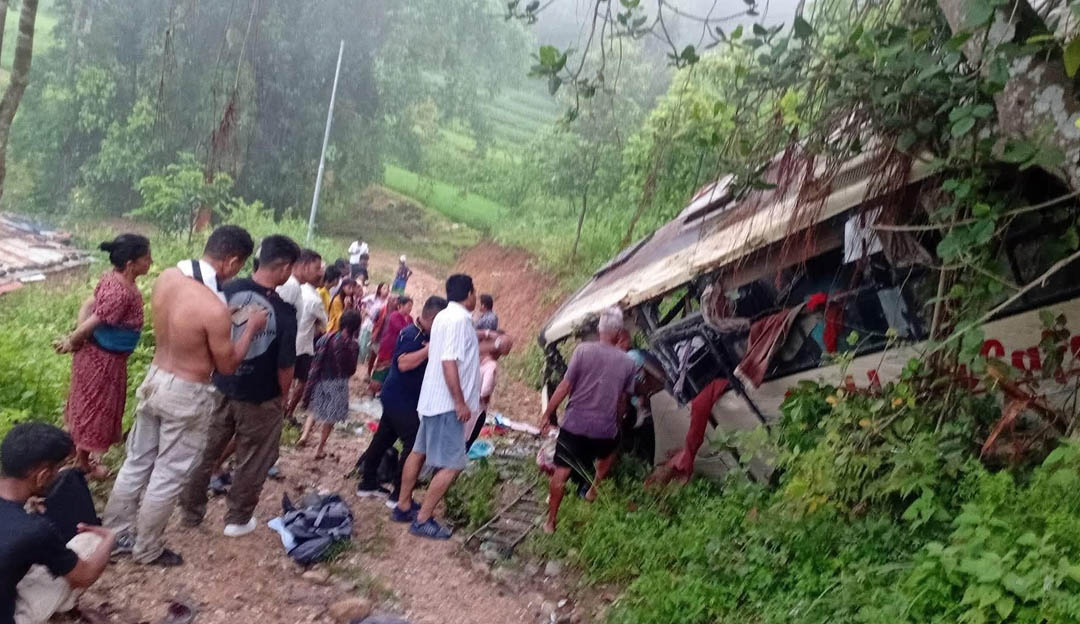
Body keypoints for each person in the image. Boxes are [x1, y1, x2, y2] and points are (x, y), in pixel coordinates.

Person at [102, 225, 262, 567]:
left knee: (136, 462)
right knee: (168, 473)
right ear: (232, 261)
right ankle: (147, 548)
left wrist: (228, 318)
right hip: (187, 392)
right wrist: (249, 329)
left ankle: (114, 536)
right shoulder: (213, 308)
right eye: (239, 265)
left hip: (156, 378)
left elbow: (185, 322)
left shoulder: (167, 278)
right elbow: (228, 365)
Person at [179, 235, 300, 539]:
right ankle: (237, 519)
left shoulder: (225, 291)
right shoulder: (284, 312)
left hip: (220, 385)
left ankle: (190, 511)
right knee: (253, 459)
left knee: (206, 451)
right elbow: (286, 365)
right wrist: (283, 400)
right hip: (261, 396)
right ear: (284, 268)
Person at [55, 234, 152, 480]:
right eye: (146, 258)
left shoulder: (116, 281)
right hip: (101, 361)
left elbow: (90, 305)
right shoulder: (120, 292)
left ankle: (78, 454)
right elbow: (94, 318)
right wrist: (74, 340)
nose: (150, 261)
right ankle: (82, 463)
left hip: (104, 357)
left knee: (88, 406)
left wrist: (80, 341)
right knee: (93, 410)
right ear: (131, 264)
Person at [1, 423, 117, 624]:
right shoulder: (35, 531)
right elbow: (85, 575)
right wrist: (109, 537)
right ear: (43, 476)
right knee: (90, 542)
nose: (59, 475)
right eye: (57, 470)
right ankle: (61, 607)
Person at [394, 274, 481, 540]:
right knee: (454, 463)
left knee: (418, 451)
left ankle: (403, 504)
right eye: (474, 292)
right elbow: (448, 361)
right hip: (446, 404)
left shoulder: (443, 316)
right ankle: (423, 519)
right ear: (469, 293)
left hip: (433, 399)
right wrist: (459, 402)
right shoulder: (459, 320)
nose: (475, 297)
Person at [539, 306, 637, 534]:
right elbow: (623, 401)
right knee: (612, 448)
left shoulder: (582, 351)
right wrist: (618, 421)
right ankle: (593, 488)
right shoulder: (628, 363)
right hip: (603, 430)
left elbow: (565, 386)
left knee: (560, 473)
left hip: (574, 426)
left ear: (599, 329)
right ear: (619, 333)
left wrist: (547, 413)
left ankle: (551, 522)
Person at [356, 296, 448, 504]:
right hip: (400, 398)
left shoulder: (421, 333)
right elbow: (404, 363)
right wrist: (427, 350)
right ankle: (399, 495)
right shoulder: (411, 335)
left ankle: (368, 482)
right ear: (433, 318)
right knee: (414, 443)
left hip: (398, 396)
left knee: (383, 439)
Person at [298, 310, 362, 458]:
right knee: (330, 418)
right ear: (356, 327)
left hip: (320, 378)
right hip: (338, 383)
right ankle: (319, 448)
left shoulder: (327, 337)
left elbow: (317, 357)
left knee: (315, 408)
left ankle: (305, 435)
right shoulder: (352, 345)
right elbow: (352, 369)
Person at [282, 250, 328, 422]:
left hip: (292, 344)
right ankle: (286, 412)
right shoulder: (299, 291)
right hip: (300, 346)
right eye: (317, 268)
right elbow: (324, 323)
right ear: (304, 265)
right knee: (300, 380)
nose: (320, 273)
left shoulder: (298, 289)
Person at [466, 334, 514, 452]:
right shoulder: (491, 366)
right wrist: (485, 400)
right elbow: (485, 391)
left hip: (462, 409)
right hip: (476, 413)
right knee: (463, 450)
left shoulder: (471, 360)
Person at [370, 295, 414, 395]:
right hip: (388, 346)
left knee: (391, 370)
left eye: (411, 306)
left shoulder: (410, 318)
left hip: (398, 348)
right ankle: (374, 390)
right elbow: (402, 330)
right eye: (408, 305)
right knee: (381, 368)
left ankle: (384, 391)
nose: (410, 308)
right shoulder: (395, 315)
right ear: (400, 306)